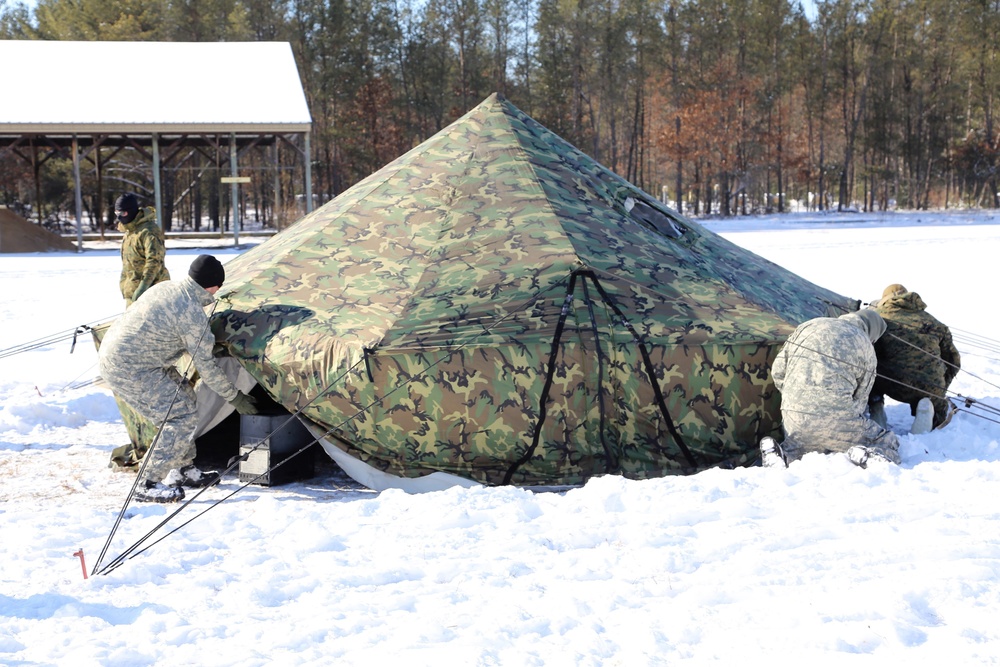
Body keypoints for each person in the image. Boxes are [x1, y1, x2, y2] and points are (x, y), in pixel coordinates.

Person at [98, 254, 259, 503]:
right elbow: (207, 368)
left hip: (134, 357)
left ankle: (183, 470)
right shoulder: (193, 314)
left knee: (185, 397)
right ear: (214, 286)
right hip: (130, 367)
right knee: (178, 417)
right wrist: (235, 397)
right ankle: (147, 482)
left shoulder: (168, 286)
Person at [761, 309, 901, 468]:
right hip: (838, 416)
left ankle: (784, 457)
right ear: (872, 332)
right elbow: (862, 396)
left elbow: (778, 371)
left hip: (794, 418)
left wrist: (796, 398)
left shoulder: (809, 326)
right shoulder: (864, 342)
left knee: (799, 446)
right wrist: (840, 416)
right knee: (886, 440)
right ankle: (872, 455)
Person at [868, 284, 961, 434]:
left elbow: (868, 354)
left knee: (869, 377)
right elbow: (953, 361)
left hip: (890, 383)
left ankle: (875, 405)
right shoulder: (934, 322)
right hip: (929, 385)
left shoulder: (877, 318)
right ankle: (928, 407)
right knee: (937, 406)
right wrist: (941, 388)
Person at [115, 193, 170, 307]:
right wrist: (124, 283)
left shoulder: (148, 231)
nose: (119, 217)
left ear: (132, 211)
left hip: (153, 293)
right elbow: (128, 262)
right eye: (117, 213)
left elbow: (154, 261)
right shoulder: (130, 232)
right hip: (133, 293)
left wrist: (143, 287)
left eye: (123, 213)